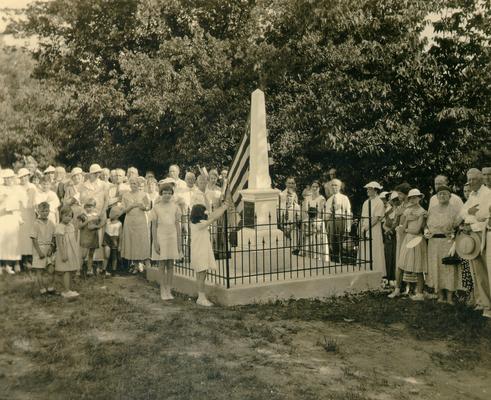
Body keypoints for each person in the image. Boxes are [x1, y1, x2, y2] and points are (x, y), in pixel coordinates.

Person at [457, 168, 491, 317]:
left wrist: (472, 218)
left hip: (482, 234)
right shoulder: (471, 194)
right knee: (476, 270)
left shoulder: (487, 194)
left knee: (486, 270)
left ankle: (488, 306)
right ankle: (482, 302)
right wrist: (470, 213)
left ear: (481, 179)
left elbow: (484, 216)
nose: (470, 183)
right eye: (469, 180)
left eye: (474, 179)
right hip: (472, 235)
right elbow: (463, 213)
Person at [190, 197, 231, 306]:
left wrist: (223, 207)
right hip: (200, 252)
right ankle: (201, 298)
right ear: (199, 213)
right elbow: (213, 217)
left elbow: (212, 215)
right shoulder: (199, 224)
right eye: (204, 211)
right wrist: (223, 208)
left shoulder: (197, 223)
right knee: (201, 274)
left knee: (202, 274)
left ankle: (201, 296)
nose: (206, 213)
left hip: (201, 250)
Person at [425, 186, 462, 304]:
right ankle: (440, 296)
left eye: (445, 194)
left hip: (447, 242)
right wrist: (426, 231)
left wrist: (454, 239)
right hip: (433, 243)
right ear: (436, 196)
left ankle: (450, 297)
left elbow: (458, 227)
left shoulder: (454, 210)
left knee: (449, 267)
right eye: (440, 194)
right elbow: (426, 225)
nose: (442, 196)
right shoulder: (432, 210)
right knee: (436, 267)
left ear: (450, 196)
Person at [389, 189, 427, 300]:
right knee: (401, 264)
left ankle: (419, 293)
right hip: (407, 239)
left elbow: (416, 230)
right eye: (411, 197)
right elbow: (403, 226)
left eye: (416, 197)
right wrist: (406, 224)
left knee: (418, 267)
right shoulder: (407, 210)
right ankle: (397, 289)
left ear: (419, 198)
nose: (413, 199)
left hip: (417, 240)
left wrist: (406, 228)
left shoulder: (422, 211)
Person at [150, 183, 182, 300]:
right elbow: (153, 226)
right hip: (161, 237)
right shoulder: (156, 207)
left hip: (172, 237)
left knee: (170, 264)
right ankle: (162, 289)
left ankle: (169, 289)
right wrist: (155, 242)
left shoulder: (175, 207)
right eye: (165, 193)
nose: (167, 195)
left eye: (169, 193)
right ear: (161, 194)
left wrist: (179, 243)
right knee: (162, 264)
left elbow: (177, 225)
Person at [121, 177, 151, 273]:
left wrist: (144, 207)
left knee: (140, 241)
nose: (133, 185)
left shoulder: (144, 194)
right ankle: (134, 264)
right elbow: (123, 210)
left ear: (139, 184)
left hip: (141, 221)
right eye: (132, 183)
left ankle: (141, 263)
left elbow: (148, 207)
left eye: (135, 183)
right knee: (132, 242)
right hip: (130, 221)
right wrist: (131, 206)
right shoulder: (125, 195)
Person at [358, 182, 386, 276]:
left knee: (374, 249)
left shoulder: (379, 202)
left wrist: (366, 228)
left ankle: (376, 273)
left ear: (375, 190)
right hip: (364, 229)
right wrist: (361, 228)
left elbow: (377, 218)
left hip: (374, 229)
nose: (367, 191)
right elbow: (362, 217)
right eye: (367, 189)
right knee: (365, 249)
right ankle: (364, 271)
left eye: (369, 189)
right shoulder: (366, 202)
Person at [0, 169, 24, 274]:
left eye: (10, 178)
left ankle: (15, 263)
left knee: (15, 241)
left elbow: (23, 202)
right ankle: (4, 264)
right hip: (3, 217)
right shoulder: (0, 188)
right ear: (4, 179)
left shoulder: (18, 189)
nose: (9, 180)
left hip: (14, 217)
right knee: (3, 241)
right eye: (6, 178)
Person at [54, 206, 80, 298]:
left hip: (71, 251)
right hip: (64, 251)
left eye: (70, 216)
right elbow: (59, 242)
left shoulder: (71, 225)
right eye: (66, 216)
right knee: (65, 271)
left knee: (70, 270)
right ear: (61, 216)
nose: (68, 218)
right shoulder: (60, 227)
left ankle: (65, 288)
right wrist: (63, 254)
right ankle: (66, 291)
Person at [30, 202, 56, 294]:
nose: (45, 213)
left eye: (46, 211)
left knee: (51, 270)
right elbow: (34, 239)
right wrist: (39, 252)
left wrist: (51, 248)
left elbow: (54, 236)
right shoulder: (36, 224)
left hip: (48, 248)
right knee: (39, 270)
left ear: (49, 211)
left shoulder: (51, 223)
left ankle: (50, 287)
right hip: (39, 249)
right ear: (38, 211)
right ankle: (42, 289)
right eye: (42, 211)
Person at [324, 179, 352, 262]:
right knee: (332, 245)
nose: (333, 187)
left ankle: (344, 263)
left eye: (336, 185)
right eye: (332, 185)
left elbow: (348, 212)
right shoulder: (329, 200)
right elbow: (326, 215)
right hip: (331, 222)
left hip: (340, 221)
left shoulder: (344, 198)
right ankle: (334, 263)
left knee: (342, 245)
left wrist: (348, 227)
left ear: (339, 187)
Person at [78, 198, 105, 276]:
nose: (89, 208)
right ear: (84, 207)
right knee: (83, 254)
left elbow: (102, 223)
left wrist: (97, 226)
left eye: (91, 207)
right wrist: (87, 221)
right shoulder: (82, 216)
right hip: (85, 236)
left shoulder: (96, 216)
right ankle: (79, 269)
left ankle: (89, 270)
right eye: (87, 207)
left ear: (94, 207)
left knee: (91, 254)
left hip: (93, 236)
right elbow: (79, 226)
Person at [17, 168, 37, 271]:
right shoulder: (17, 188)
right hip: (21, 214)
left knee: (31, 236)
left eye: (25, 176)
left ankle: (31, 259)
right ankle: (22, 260)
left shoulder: (33, 187)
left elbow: (36, 201)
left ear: (28, 176)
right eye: (22, 177)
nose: (24, 178)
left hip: (31, 214)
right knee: (22, 237)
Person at [383, 192, 400, 284]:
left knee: (396, 256)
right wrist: (387, 231)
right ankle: (389, 277)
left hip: (398, 236)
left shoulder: (401, 211)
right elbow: (384, 224)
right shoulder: (388, 211)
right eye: (394, 200)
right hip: (389, 237)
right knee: (389, 255)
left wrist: (392, 231)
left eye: (397, 200)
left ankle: (396, 277)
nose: (396, 202)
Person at [102, 205, 123, 275]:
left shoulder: (119, 224)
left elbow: (120, 235)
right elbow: (101, 224)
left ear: (117, 215)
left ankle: (114, 271)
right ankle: (103, 270)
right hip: (107, 238)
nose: (110, 215)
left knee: (114, 256)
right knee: (106, 255)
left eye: (112, 214)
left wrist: (120, 245)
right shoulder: (107, 221)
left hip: (115, 239)